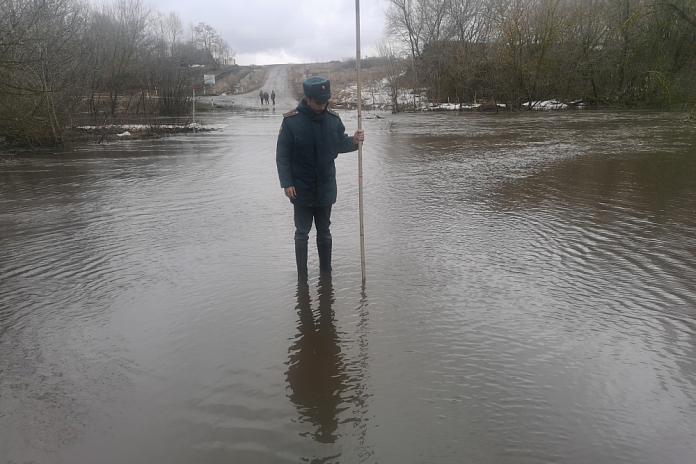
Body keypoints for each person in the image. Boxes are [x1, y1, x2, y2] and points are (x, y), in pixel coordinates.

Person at [276, 77, 365, 281]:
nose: (322, 106)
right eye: (318, 102)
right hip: (300, 188)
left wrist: (354, 140)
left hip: (325, 187)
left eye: (325, 102)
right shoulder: (291, 121)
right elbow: (282, 155)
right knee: (302, 233)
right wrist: (287, 183)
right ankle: (302, 277)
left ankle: (326, 273)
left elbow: (339, 143)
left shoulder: (333, 120)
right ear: (307, 98)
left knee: (324, 232)